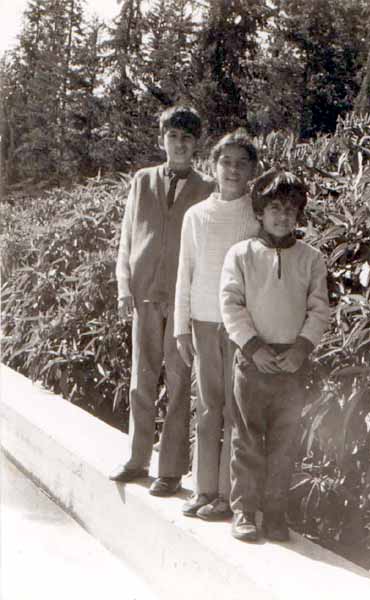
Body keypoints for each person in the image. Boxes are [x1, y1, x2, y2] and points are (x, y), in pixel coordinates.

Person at [220, 169, 330, 542]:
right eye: (275, 208)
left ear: (298, 214)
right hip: (252, 361)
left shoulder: (311, 258)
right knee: (248, 441)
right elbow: (231, 304)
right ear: (260, 212)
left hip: (292, 364)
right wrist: (253, 347)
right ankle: (244, 511)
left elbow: (319, 309)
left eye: (290, 209)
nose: (283, 216)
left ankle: (275, 514)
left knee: (285, 442)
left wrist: (301, 348)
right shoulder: (241, 254)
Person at [110, 105, 214, 497]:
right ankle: (136, 459)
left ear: (197, 144)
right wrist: (123, 286)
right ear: (162, 140)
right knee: (141, 379)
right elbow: (127, 237)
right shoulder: (142, 180)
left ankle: (170, 470)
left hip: (183, 301)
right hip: (144, 296)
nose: (179, 144)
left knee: (179, 382)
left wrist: (191, 301)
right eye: (173, 136)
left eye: (187, 138)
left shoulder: (207, 188)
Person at [174, 130, 259, 520]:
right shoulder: (196, 215)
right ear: (213, 165)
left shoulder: (256, 214)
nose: (233, 170)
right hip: (203, 322)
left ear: (253, 170)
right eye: (226, 162)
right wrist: (181, 327)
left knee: (235, 411)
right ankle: (202, 489)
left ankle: (227, 495)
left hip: (241, 327)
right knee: (207, 407)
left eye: (242, 163)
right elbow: (185, 272)